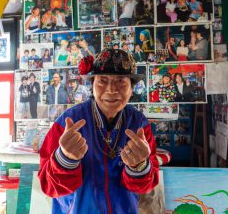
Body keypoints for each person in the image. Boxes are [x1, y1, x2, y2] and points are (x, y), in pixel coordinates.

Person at [38, 49, 159, 213]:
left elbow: (145, 186)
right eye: (102, 80)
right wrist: (65, 159)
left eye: (121, 81)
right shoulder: (67, 123)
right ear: (92, 86)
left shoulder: (139, 125)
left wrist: (139, 166)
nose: (111, 89)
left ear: (132, 89)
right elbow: (49, 186)